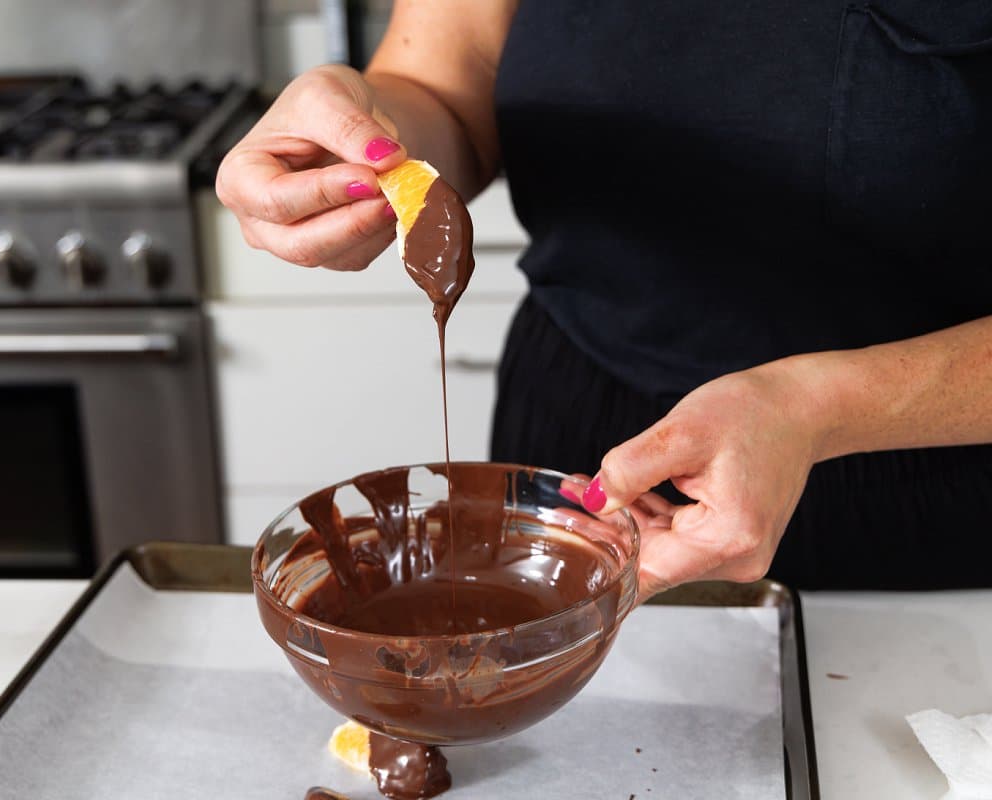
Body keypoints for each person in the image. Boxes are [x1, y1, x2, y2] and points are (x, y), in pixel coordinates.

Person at [216, 1, 992, 600]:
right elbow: (444, 83)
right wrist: (361, 138)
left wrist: (818, 406)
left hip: (929, 490)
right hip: (579, 439)